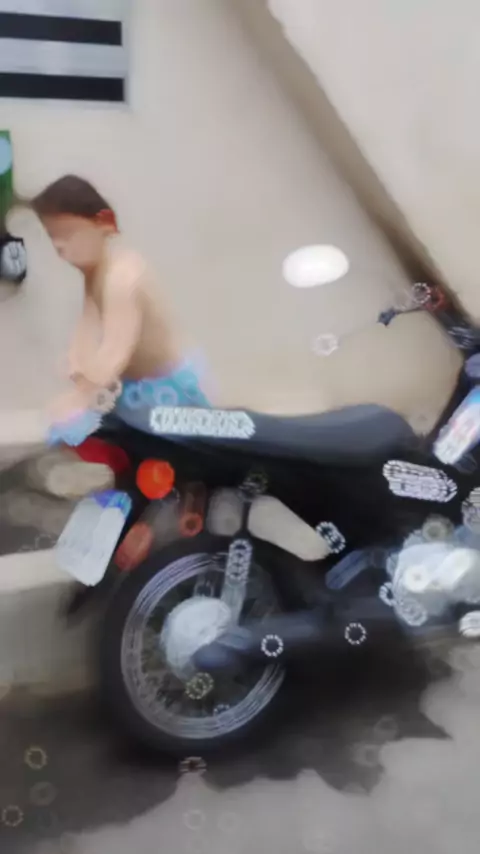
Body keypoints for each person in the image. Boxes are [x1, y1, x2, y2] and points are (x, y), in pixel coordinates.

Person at [30, 175, 210, 436]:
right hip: (130, 382)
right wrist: (76, 361)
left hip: (164, 391)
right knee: (71, 422)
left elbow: (115, 351)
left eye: (68, 234)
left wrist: (81, 397)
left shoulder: (122, 278)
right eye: (53, 236)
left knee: (75, 426)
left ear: (103, 223)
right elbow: (87, 324)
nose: (59, 246)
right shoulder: (94, 272)